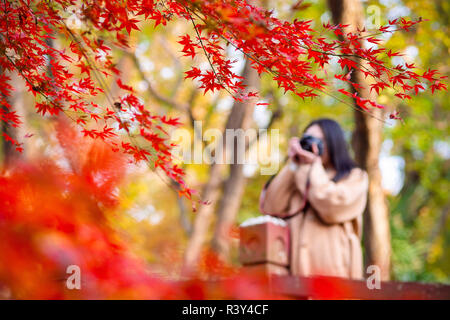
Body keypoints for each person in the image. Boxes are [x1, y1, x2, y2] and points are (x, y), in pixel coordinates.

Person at [259, 118, 369, 279]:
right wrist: (294, 164)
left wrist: (313, 166)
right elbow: (270, 207)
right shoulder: (297, 175)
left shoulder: (355, 177)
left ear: (334, 142)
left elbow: (330, 206)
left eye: (318, 140)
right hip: (295, 279)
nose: (311, 145)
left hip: (337, 279)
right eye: (307, 139)